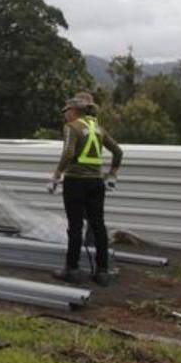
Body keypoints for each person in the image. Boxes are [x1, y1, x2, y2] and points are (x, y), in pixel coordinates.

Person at [49, 92, 122, 286]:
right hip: (96, 183)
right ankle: (102, 271)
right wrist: (112, 174)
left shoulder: (71, 127)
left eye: (66, 111)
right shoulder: (98, 128)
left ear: (73, 111)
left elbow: (68, 153)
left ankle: (71, 269)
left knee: (75, 226)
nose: (65, 114)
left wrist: (56, 175)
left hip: (75, 182)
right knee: (98, 225)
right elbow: (118, 151)